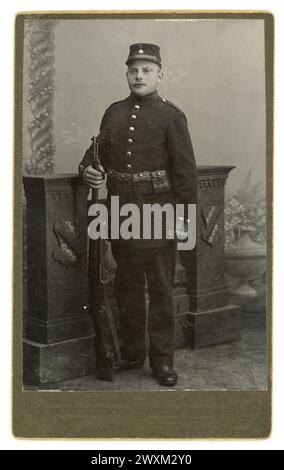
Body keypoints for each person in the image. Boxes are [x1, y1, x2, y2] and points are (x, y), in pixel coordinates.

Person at [79, 43, 197, 386]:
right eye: (133, 70)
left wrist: (183, 223)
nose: (139, 75)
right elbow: (94, 154)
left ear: (159, 74)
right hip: (121, 213)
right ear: (127, 74)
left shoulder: (170, 115)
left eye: (146, 70)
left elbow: (186, 174)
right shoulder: (113, 112)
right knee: (127, 287)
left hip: (160, 213)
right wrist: (89, 170)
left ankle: (162, 360)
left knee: (160, 288)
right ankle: (133, 352)